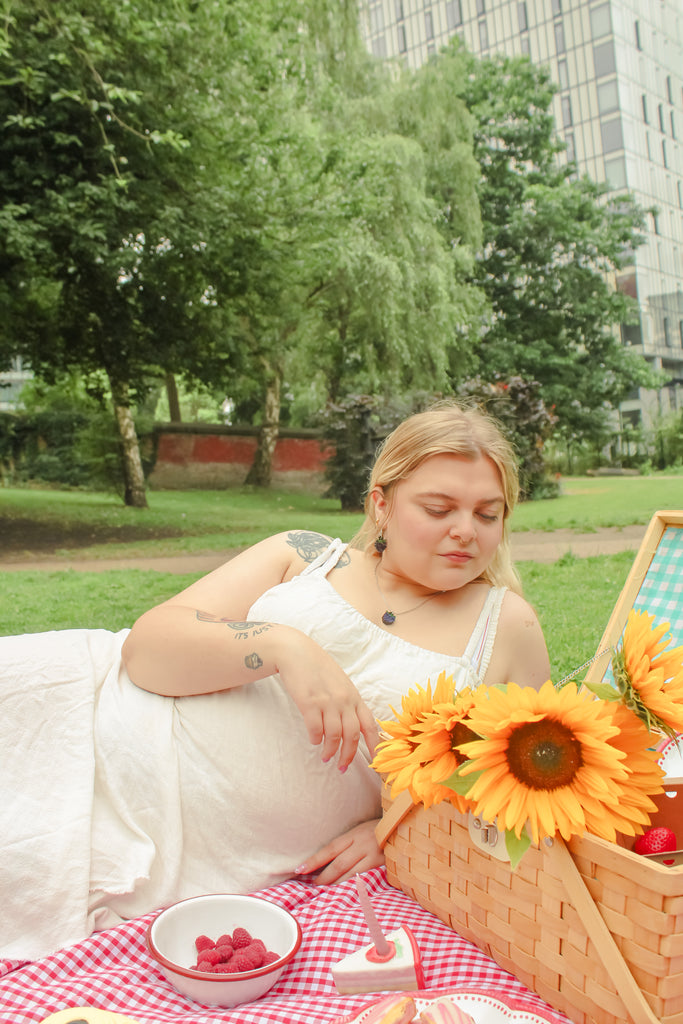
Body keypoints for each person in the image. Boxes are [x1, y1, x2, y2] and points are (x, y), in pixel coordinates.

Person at [0, 400, 550, 961]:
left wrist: (397, 831)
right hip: (84, 725)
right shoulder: (303, 557)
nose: (465, 531)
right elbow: (145, 651)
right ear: (381, 505)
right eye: (438, 508)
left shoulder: (506, 628)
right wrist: (285, 646)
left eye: (488, 515)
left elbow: (517, 790)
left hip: (199, 851)